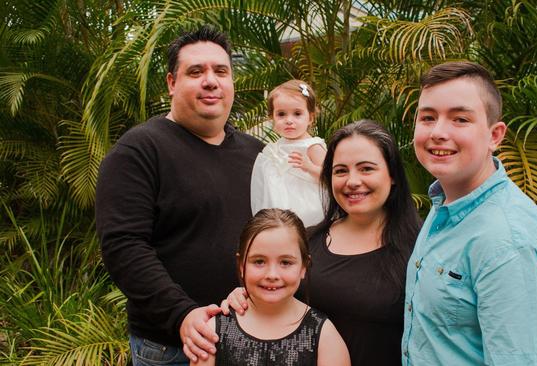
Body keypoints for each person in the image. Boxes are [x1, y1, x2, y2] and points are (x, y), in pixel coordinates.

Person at [95, 25, 264, 366]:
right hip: (175, 347)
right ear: (172, 83)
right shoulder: (140, 150)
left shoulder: (257, 154)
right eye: (196, 71)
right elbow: (124, 246)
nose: (211, 81)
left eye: (221, 71)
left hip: (252, 336)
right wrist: (183, 315)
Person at [214, 120, 422, 365]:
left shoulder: (421, 247)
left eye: (366, 169)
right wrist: (245, 297)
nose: (352, 181)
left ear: (393, 174)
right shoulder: (306, 240)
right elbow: (273, 287)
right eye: (340, 170)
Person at [401, 61, 537, 365]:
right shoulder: (445, 203)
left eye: (460, 119)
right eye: (428, 117)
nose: (438, 132)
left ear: (495, 136)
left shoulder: (510, 239)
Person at [191, 208, 350, 366]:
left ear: (304, 267)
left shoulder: (324, 336)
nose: (272, 274)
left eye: (286, 262)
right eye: (259, 261)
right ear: (241, 265)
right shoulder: (213, 332)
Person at [250, 80, 327, 227]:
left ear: (310, 118)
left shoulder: (312, 146)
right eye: (281, 114)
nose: (289, 120)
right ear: (272, 118)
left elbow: (330, 176)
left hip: (307, 206)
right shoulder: (275, 147)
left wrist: (309, 167)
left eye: (297, 114)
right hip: (279, 204)